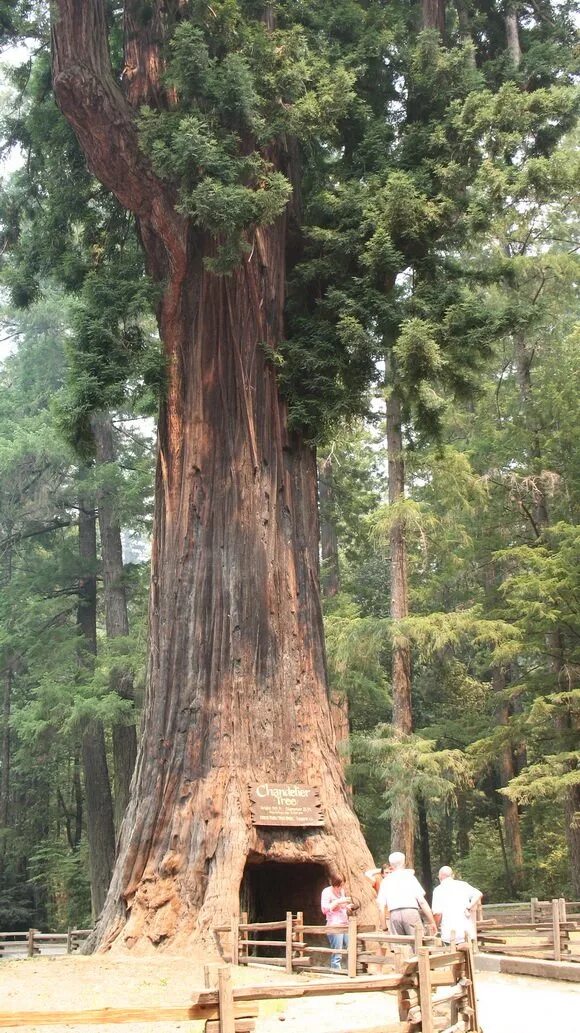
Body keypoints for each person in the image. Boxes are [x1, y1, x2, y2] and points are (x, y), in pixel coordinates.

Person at [377, 851, 436, 935]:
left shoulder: (385, 881)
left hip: (394, 915)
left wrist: (384, 928)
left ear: (391, 865)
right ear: (404, 863)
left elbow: (381, 908)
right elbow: (422, 902)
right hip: (411, 912)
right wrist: (432, 921)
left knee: (399, 946)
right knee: (417, 943)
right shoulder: (410, 878)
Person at [431, 866, 483, 945]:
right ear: (452, 875)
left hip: (449, 935)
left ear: (440, 876)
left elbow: (437, 913)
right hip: (467, 933)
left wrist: (436, 926)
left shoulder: (438, 890)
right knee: (469, 956)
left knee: (451, 956)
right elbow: (479, 894)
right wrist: (469, 906)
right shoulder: (463, 885)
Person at [321, 873, 351, 970]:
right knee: (337, 952)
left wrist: (347, 907)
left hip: (345, 923)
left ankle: (351, 970)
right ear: (334, 884)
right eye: (338, 885)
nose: (341, 887)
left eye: (342, 885)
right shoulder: (326, 892)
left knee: (351, 947)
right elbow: (324, 909)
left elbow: (342, 907)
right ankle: (336, 972)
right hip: (334, 924)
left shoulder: (342, 891)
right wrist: (337, 902)